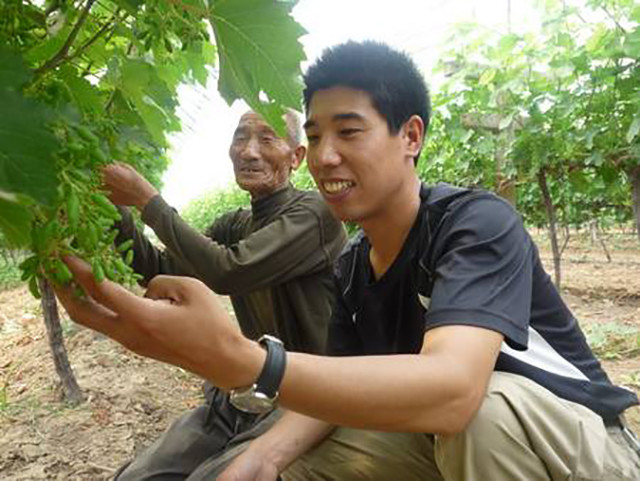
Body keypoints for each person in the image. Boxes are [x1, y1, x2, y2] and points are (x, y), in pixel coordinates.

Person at [56, 41, 640, 481]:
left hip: (580, 447)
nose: (325, 156)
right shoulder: (354, 265)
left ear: (411, 136)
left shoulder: (473, 223)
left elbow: (454, 390)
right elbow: (342, 388)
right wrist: (266, 455)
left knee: (481, 409)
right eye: (314, 136)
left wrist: (244, 362)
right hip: (452, 437)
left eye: (349, 132)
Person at [99, 110, 347, 480]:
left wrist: (147, 200)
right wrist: (113, 207)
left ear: (296, 157)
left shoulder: (316, 214)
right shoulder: (235, 224)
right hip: (242, 392)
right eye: (240, 138)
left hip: (304, 396)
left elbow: (230, 271)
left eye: (266, 138)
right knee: (136, 476)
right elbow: (158, 268)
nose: (248, 151)